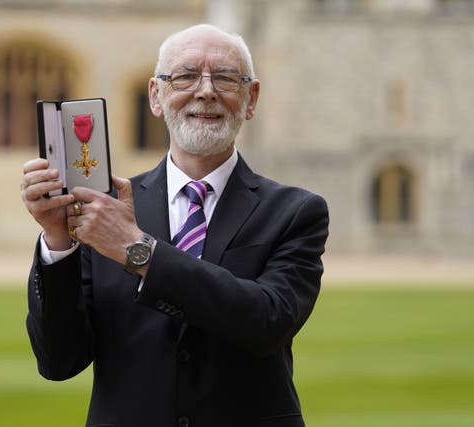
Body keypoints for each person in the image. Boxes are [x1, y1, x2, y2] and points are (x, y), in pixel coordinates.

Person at [20, 23, 329, 427]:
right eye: (184, 76)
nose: (205, 91)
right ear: (156, 96)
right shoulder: (103, 213)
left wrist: (139, 251)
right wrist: (58, 240)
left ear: (251, 98)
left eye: (225, 78)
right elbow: (59, 361)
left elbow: (267, 322)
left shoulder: (295, 212)